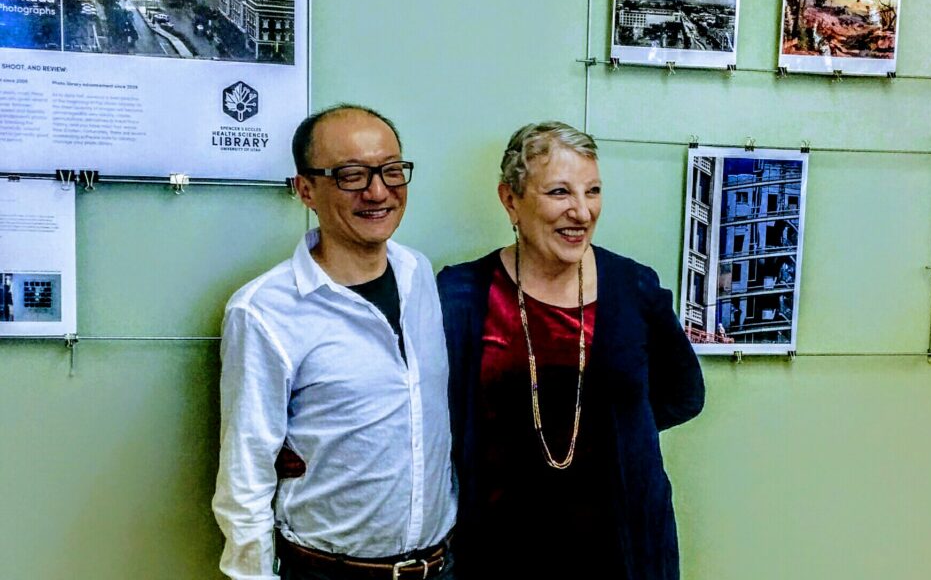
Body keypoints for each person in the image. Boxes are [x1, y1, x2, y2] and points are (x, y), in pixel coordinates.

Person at [437, 122, 704, 580]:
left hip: (620, 548)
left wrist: (613, 427)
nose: (581, 212)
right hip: (499, 548)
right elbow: (438, 416)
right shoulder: (461, 294)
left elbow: (684, 393)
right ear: (511, 200)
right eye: (560, 192)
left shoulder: (635, 287)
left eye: (593, 191)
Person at [213, 104, 457, 580]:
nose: (378, 191)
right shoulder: (263, 310)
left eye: (391, 170)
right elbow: (246, 473)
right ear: (306, 189)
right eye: (351, 175)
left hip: (438, 565)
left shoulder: (419, 275)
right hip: (329, 572)